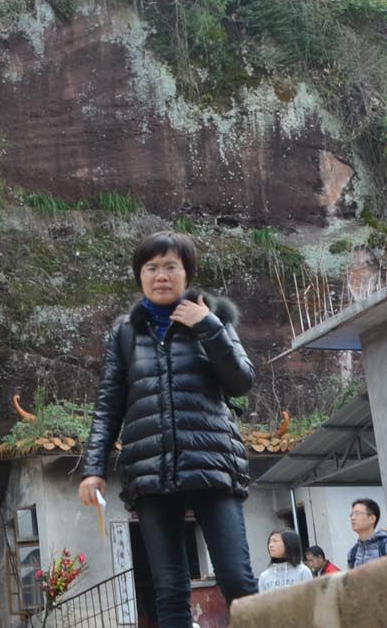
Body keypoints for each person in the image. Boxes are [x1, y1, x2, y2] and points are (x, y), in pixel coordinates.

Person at [79, 230, 259, 628]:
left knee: (237, 578)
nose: (161, 275)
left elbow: (242, 382)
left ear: (187, 273)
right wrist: (94, 468)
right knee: (170, 589)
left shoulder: (215, 320)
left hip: (212, 463)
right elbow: (109, 405)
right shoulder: (125, 333)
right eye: (151, 267)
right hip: (150, 471)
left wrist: (208, 326)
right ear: (140, 276)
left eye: (171, 267)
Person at [345, 498, 387, 568]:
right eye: (352, 514)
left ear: (372, 519)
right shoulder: (353, 553)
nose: (352, 517)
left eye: (357, 513)